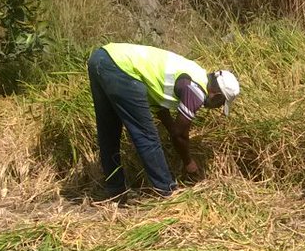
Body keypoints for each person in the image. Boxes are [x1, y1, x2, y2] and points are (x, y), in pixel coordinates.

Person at [86, 42, 240, 199]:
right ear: (217, 95)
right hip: (122, 68)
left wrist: (173, 129)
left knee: (109, 131)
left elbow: (161, 109)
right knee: (146, 135)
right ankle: (167, 191)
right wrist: (189, 163)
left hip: (101, 58)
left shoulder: (194, 72)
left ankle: (116, 190)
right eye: (221, 104)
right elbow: (179, 135)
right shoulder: (196, 91)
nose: (217, 107)